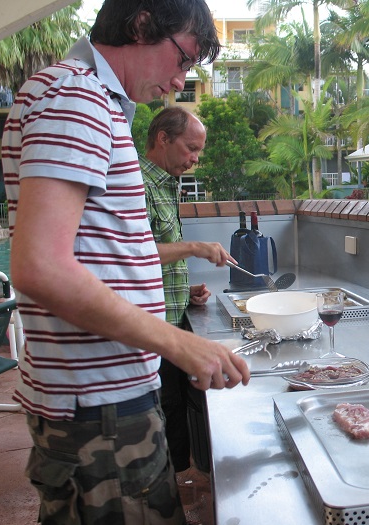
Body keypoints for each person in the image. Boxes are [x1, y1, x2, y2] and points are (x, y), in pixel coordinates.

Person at [1, 1, 250, 523]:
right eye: (182, 59)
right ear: (142, 25)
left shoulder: (92, 100)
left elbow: (105, 252)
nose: (180, 81)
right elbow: (41, 266)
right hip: (98, 405)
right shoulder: (76, 96)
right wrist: (180, 344)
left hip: (105, 395)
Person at [140, 106, 231, 477]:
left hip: (172, 315)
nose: (195, 159)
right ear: (163, 139)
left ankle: (182, 481)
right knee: (165, 411)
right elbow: (135, 253)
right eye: (191, 148)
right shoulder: (138, 184)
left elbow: (157, 256)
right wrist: (195, 247)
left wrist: (183, 289)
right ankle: (171, 487)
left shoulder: (166, 183)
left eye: (199, 152)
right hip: (151, 327)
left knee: (176, 406)